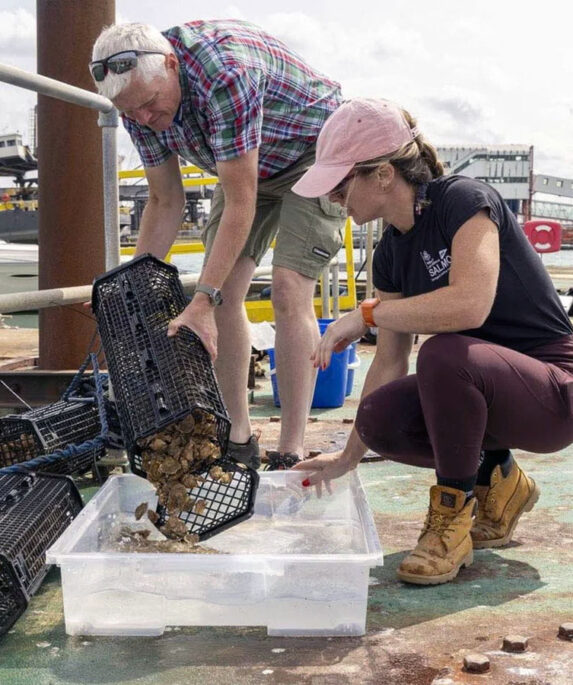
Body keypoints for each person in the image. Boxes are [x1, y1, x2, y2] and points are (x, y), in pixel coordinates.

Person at [291, 97, 573, 585]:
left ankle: (451, 518)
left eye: (340, 184)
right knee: (381, 416)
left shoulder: (463, 202)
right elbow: (390, 359)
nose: (334, 199)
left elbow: (470, 305)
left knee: (443, 353)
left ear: (382, 174)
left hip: (554, 390)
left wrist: (366, 314)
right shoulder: (391, 254)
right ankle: (499, 481)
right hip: (483, 386)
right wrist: (348, 456)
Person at [90, 20, 346, 470]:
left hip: (313, 154)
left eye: (150, 104)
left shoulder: (225, 74)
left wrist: (202, 299)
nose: (145, 119)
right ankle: (238, 439)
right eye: (132, 113)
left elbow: (241, 203)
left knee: (288, 289)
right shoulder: (138, 103)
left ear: (171, 64)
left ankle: (291, 447)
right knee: (225, 295)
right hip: (245, 163)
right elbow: (164, 200)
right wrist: (130, 290)